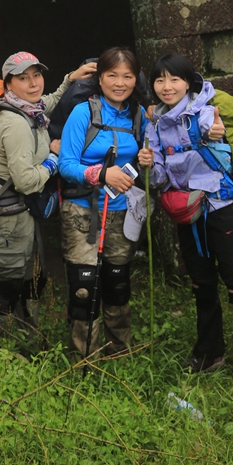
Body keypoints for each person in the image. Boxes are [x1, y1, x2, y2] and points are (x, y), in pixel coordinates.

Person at [146, 52, 233, 372]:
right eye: (160, 80)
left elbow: (214, 132)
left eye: (174, 79)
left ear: (188, 82)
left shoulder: (205, 111)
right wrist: (149, 164)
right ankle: (210, 353)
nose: (167, 86)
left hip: (220, 206)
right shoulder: (155, 123)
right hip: (188, 212)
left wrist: (215, 134)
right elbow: (158, 179)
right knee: (201, 284)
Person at [0, 51, 96, 337]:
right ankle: (5, 344)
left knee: (31, 278)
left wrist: (69, 80)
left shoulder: (26, 108)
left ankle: (26, 334)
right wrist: (54, 158)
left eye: (36, 75)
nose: (33, 83)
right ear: (9, 84)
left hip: (21, 214)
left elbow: (48, 102)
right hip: (8, 217)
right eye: (23, 78)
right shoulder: (16, 123)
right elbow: (25, 181)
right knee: (8, 285)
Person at [58, 46, 157, 357]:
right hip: (83, 212)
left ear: (135, 80)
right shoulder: (83, 112)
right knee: (85, 287)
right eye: (112, 75)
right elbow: (66, 164)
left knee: (117, 283)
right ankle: (84, 357)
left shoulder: (139, 115)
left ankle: (119, 350)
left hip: (121, 212)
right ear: (99, 79)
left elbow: (148, 158)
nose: (119, 82)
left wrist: (145, 159)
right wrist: (102, 175)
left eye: (127, 76)